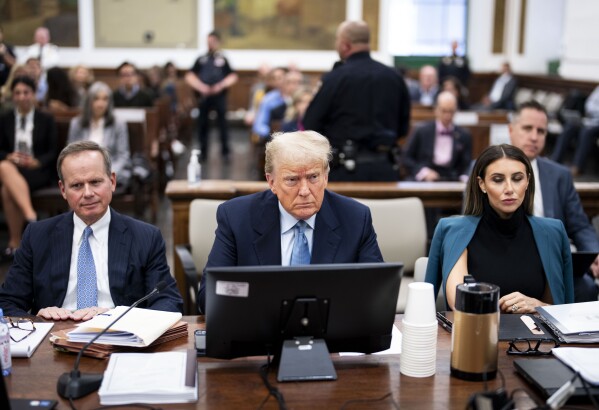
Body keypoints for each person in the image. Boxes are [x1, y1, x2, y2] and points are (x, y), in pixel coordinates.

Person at [197, 130, 384, 313]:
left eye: (313, 177)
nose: (304, 190)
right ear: (271, 182)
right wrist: (254, 293)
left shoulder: (355, 218)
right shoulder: (237, 217)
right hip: (260, 333)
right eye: (292, 180)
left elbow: (377, 291)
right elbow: (209, 296)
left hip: (332, 335)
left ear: (325, 177)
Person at [0, 140, 183, 319]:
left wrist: (116, 316)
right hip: (54, 337)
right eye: (77, 185)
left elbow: (168, 302)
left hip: (119, 338)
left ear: (112, 181)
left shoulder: (146, 237)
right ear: (63, 190)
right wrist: (39, 321)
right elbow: (8, 302)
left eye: (95, 182)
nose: (88, 193)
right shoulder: (37, 236)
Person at [425, 144, 574, 313]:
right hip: (476, 335)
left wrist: (538, 306)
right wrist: (506, 308)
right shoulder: (454, 230)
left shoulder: (553, 232)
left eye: (517, 179)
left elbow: (564, 312)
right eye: (498, 180)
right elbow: (461, 303)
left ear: (528, 181)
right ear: (482, 184)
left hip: (536, 338)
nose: (509, 189)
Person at [509, 100, 599, 301]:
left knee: (586, 287)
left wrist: (595, 253)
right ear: (511, 129)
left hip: (553, 265)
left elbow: (580, 226)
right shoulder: (488, 170)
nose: (534, 137)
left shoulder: (559, 175)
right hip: (507, 260)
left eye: (541, 131)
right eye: (527, 128)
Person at [303, 20, 411, 182]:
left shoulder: (335, 78)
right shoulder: (394, 77)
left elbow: (311, 123)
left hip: (346, 172)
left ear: (345, 45)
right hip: (385, 170)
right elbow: (403, 128)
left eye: (337, 40)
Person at [0, 76, 57, 260]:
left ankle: (14, 243)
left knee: (6, 188)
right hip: (12, 168)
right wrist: (9, 156)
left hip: (37, 170)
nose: (22, 97)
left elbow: (54, 150)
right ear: (12, 96)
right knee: (5, 168)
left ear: (33, 94)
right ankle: (31, 217)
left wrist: (37, 162)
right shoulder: (5, 119)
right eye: (17, 93)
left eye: (26, 92)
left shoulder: (46, 119)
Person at [185, 31, 238, 162]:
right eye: (208, 41)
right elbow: (189, 75)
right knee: (202, 124)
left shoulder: (223, 59)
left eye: (213, 41)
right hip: (204, 96)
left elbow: (233, 76)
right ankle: (203, 153)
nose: (210, 44)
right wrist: (201, 87)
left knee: (223, 125)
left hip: (219, 96)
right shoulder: (201, 59)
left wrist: (220, 86)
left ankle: (225, 152)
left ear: (218, 42)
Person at [68, 81, 132, 188]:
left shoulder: (118, 124)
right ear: (89, 101)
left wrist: (107, 173)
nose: (101, 104)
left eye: (105, 99)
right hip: (81, 172)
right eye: (96, 99)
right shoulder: (76, 123)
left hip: (110, 171)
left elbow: (123, 156)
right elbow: (70, 153)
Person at [403, 91, 472, 182]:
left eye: (451, 111)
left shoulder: (464, 135)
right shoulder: (421, 131)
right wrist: (423, 172)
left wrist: (464, 178)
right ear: (436, 110)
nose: (447, 116)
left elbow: (466, 164)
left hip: (452, 180)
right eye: (444, 111)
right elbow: (406, 158)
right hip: (425, 180)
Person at [551, 85, 599, 176]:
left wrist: (594, 111)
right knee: (570, 126)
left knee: (586, 132)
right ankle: (555, 160)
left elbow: (592, 109)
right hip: (590, 119)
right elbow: (589, 105)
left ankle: (577, 167)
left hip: (596, 123)